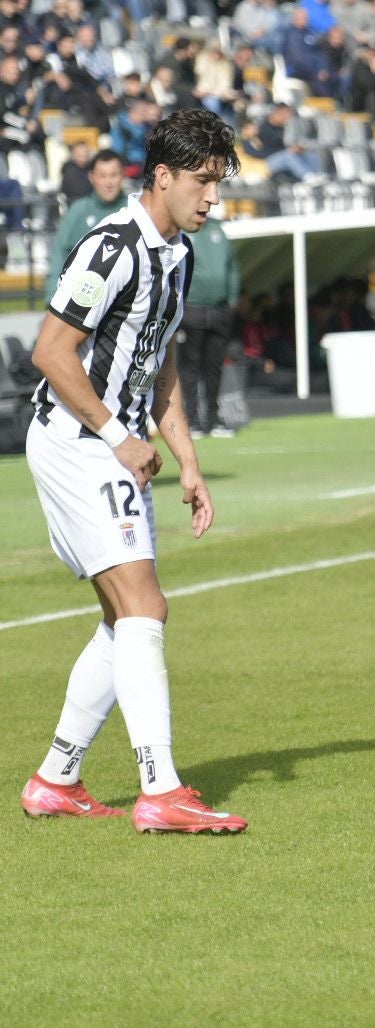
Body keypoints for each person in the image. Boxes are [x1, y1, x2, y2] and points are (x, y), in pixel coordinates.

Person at [19, 107, 246, 834]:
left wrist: (188, 461)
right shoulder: (110, 248)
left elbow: (160, 364)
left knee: (127, 616)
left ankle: (56, 778)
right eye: (203, 182)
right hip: (75, 441)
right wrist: (120, 435)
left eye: (220, 183)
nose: (213, 198)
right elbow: (51, 353)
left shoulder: (177, 255)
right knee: (144, 606)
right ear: (162, 177)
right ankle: (161, 790)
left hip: (108, 445)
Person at [175, 210, 240, 437]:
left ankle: (213, 418)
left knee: (214, 368)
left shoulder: (217, 230)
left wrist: (231, 299)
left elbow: (231, 267)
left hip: (219, 310)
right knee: (189, 368)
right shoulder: (184, 229)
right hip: (192, 309)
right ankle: (192, 420)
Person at [49, 149, 125, 283]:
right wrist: (51, 295)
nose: (108, 183)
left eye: (113, 175)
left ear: (122, 176)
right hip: (82, 294)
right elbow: (59, 253)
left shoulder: (135, 209)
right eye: (102, 176)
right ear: (91, 177)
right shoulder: (78, 210)